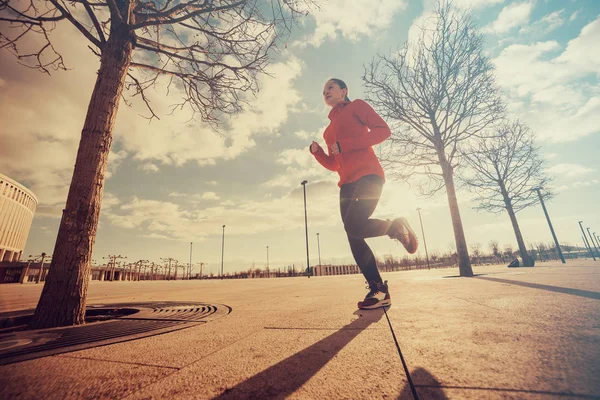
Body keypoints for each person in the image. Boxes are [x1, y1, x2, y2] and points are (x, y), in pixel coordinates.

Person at [309, 78, 418, 310]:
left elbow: (383, 131)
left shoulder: (357, 106)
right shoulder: (328, 132)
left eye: (330, 87)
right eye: (323, 89)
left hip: (368, 175)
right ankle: (378, 289)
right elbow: (335, 164)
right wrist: (319, 154)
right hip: (346, 184)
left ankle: (394, 227)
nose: (325, 91)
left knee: (354, 227)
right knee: (353, 233)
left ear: (344, 91)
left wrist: (347, 144)